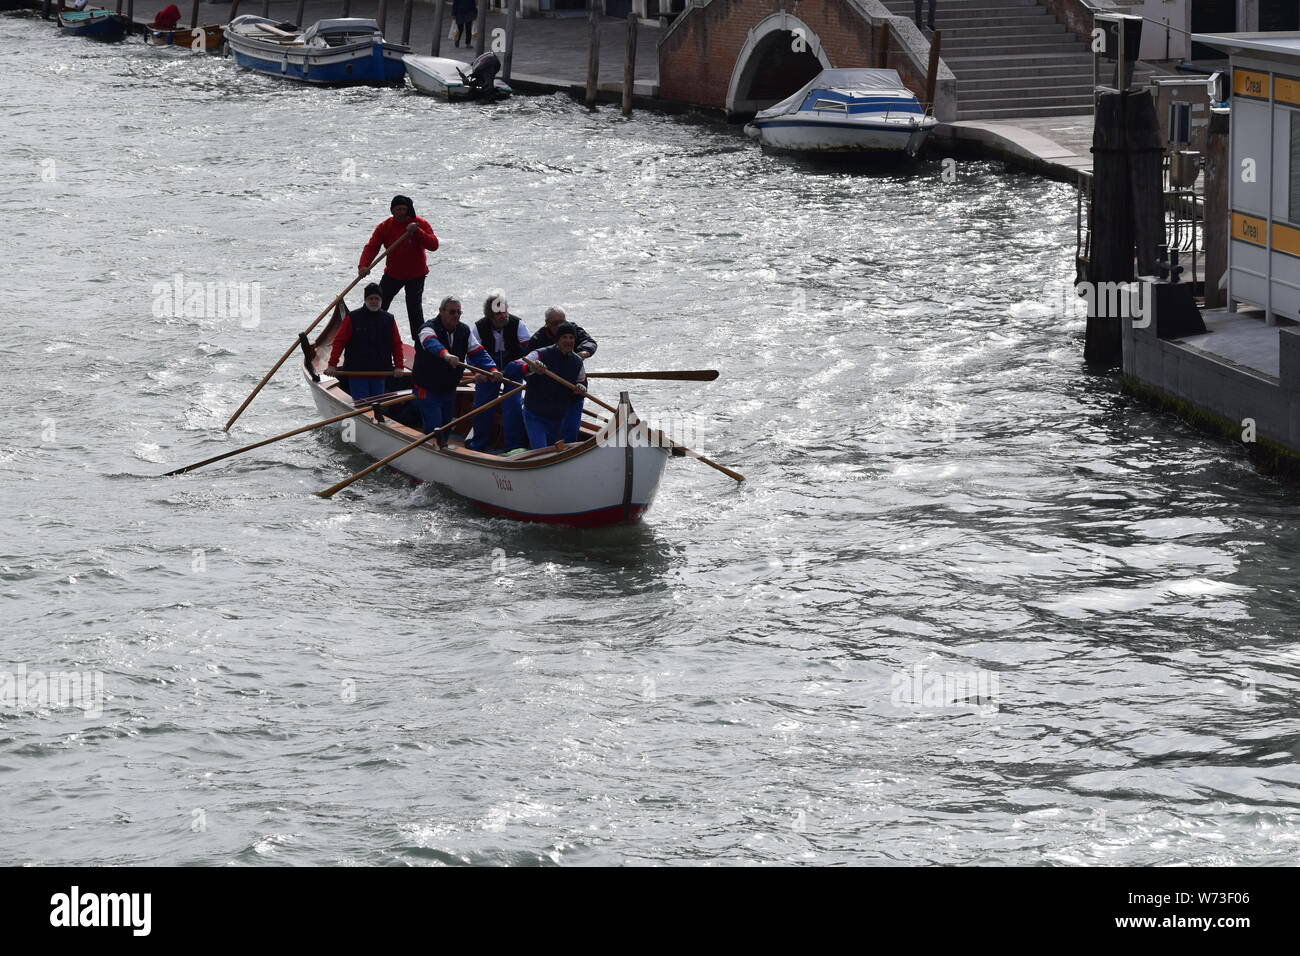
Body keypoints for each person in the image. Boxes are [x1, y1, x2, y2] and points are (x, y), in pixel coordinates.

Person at [411, 296, 502, 447]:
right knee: (435, 427)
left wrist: (492, 369)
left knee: (446, 425)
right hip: (426, 389)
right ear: (441, 312)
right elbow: (430, 342)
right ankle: (432, 450)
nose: (456, 315)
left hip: (448, 389)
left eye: (459, 312)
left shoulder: (464, 330)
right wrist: (445, 355)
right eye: (452, 312)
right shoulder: (427, 328)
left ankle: (443, 450)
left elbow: (478, 352)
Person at [358, 196, 439, 343]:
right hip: (393, 274)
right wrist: (363, 265)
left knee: (414, 310)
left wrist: (418, 232)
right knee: (377, 304)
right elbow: (372, 247)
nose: (401, 212)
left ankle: (420, 345)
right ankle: (364, 335)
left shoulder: (420, 224)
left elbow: (434, 245)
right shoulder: (384, 226)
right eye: (398, 209)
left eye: (404, 209)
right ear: (392, 210)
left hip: (416, 275)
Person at [505, 323, 587, 451]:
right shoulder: (539, 355)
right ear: (557, 339)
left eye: (571, 338)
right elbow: (510, 369)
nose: (568, 341)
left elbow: (582, 383)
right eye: (564, 337)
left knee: (550, 453)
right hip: (535, 415)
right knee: (541, 453)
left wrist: (580, 389)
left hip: (557, 418)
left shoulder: (577, 362)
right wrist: (530, 368)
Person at [325, 284, 405, 402]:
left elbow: (396, 344)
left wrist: (399, 366)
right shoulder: (352, 318)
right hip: (357, 372)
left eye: (376, 298)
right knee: (363, 404)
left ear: (381, 300)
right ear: (365, 300)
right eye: (370, 298)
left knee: (378, 404)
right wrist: (332, 364)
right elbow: (339, 342)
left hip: (380, 372)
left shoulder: (389, 319)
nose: (373, 301)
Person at [469, 294, 529, 451]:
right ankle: (479, 444)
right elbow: (472, 354)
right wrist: (477, 374)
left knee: (514, 405)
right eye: (498, 313)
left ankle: (514, 447)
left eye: (504, 311)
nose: (503, 316)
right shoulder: (479, 328)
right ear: (489, 316)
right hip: (488, 372)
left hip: (512, 370)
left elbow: (529, 352)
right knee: (482, 405)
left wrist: (524, 369)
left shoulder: (518, 324)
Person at [527, 307, 597, 359]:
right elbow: (527, 361)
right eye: (555, 323)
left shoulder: (572, 328)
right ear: (547, 323)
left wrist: (584, 352)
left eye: (562, 322)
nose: (559, 326)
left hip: (573, 367)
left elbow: (589, 342)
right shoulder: (537, 339)